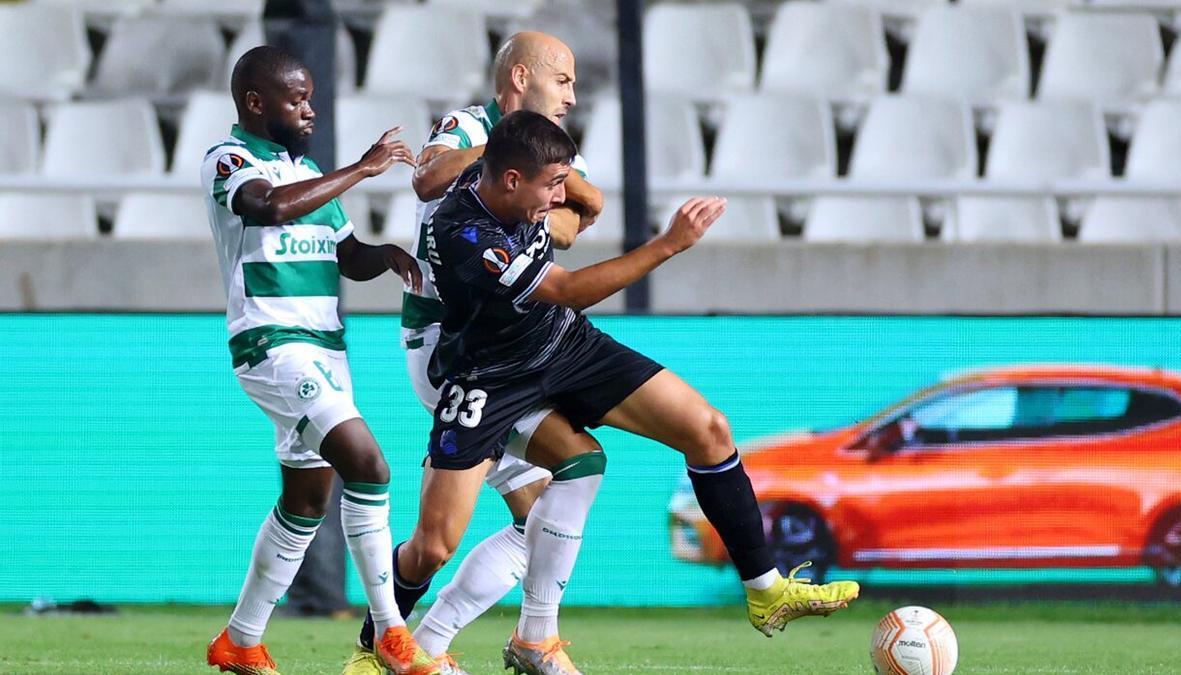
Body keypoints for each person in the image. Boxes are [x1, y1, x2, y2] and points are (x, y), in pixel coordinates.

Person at [401, 111, 861, 675]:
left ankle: (765, 590)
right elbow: (565, 289)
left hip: (564, 345)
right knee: (433, 545)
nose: (557, 196)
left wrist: (576, 195)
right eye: (551, 186)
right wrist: (668, 244)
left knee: (705, 430)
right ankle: (381, 649)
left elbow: (568, 227)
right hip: (490, 378)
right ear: (513, 180)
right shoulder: (463, 230)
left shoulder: (522, 185)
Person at [345, 32, 603, 675]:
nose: (572, 95)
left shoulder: (550, 154)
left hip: (506, 350)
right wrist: (507, 146)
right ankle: (399, 649)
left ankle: (411, 647)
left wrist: (550, 195)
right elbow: (429, 178)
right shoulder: (470, 125)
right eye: (563, 79)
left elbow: (582, 213)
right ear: (521, 77)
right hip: (450, 346)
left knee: (537, 511)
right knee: (459, 536)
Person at [201, 45, 440, 675]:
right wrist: (363, 169)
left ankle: (241, 640)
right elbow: (269, 207)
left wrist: (385, 254)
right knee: (370, 465)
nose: (310, 109)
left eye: (310, 96)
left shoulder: (309, 175)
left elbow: (346, 255)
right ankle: (392, 633)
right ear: (257, 102)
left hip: (325, 353)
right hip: (271, 346)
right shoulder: (230, 160)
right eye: (297, 98)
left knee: (306, 502)